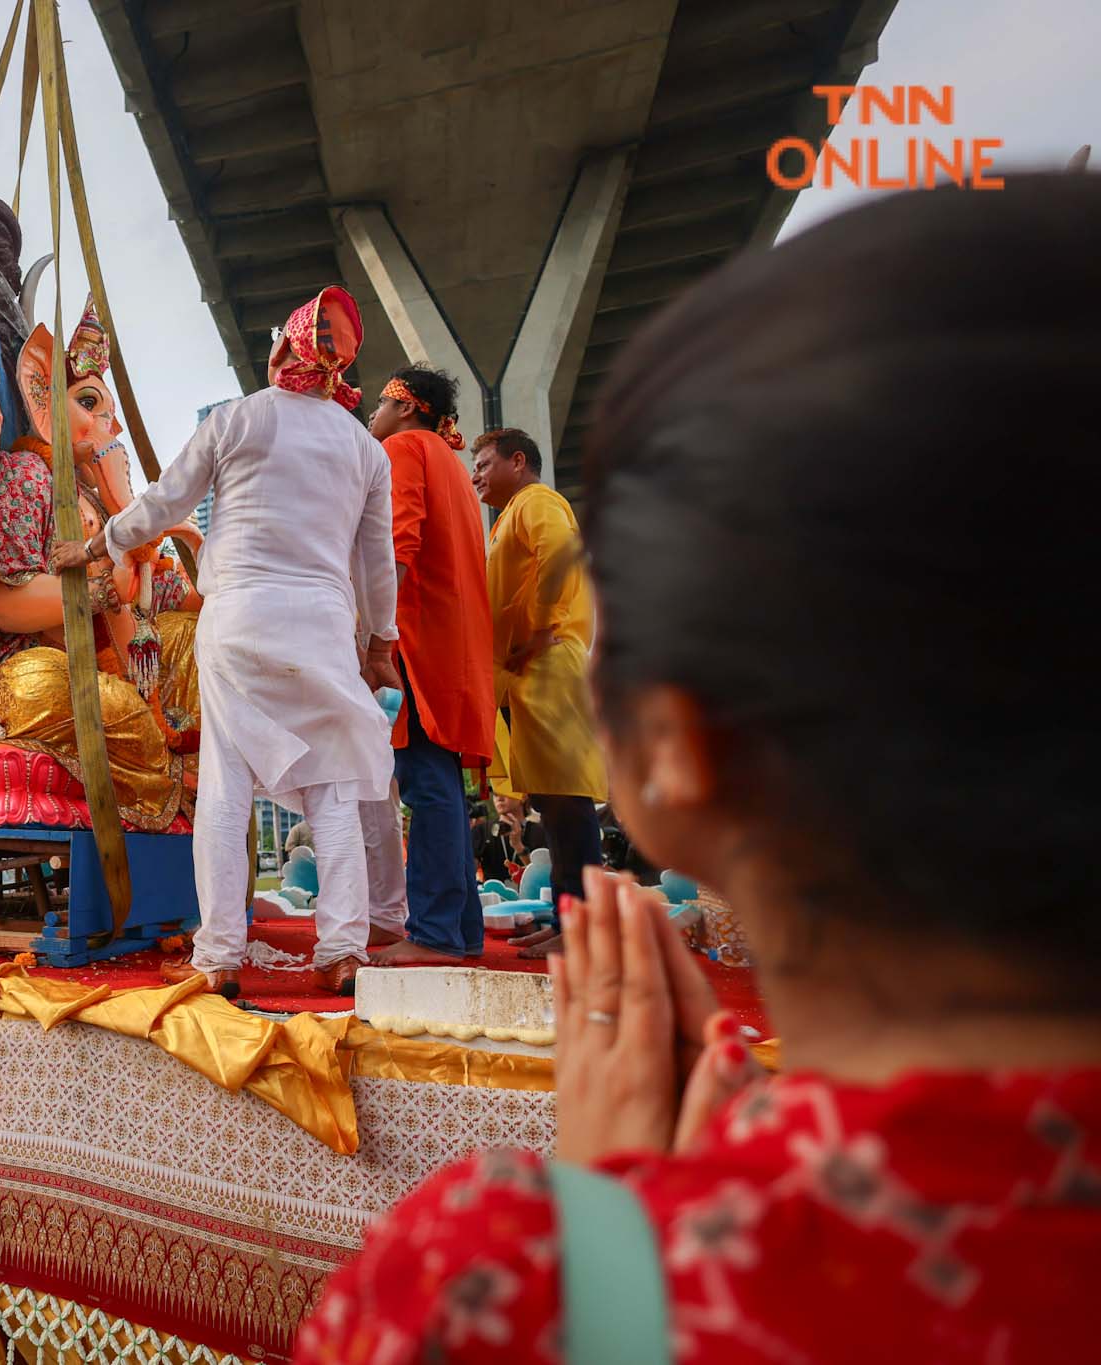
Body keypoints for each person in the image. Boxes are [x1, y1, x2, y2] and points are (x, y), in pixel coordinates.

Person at [294, 175, 1101, 1362]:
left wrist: (606, 1237)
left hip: (464, 674)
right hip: (481, 681)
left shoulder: (494, 1292)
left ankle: (450, 915)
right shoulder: (499, 503)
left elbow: (432, 567)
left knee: (474, 813)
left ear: (672, 749)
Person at [53, 285, 398, 996]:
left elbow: (163, 502)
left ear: (284, 349)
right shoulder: (367, 450)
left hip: (239, 617)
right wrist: (380, 644)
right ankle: (342, 952)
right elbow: (378, 565)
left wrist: (97, 546)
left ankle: (219, 957)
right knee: (334, 790)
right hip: (326, 626)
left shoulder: (239, 418)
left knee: (226, 785)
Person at [360, 365, 495, 965]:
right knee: (439, 785)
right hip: (453, 646)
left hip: (418, 640)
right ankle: (459, 933)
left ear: (407, 406)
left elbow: (398, 546)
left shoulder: (406, 447)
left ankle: (437, 934)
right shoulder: (450, 463)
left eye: (381, 404)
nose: (372, 415)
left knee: (424, 783)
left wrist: (376, 640)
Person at [471, 426, 606, 955]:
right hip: (527, 670)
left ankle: (585, 931)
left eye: (483, 463)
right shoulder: (506, 520)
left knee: (568, 801)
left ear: (518, 461)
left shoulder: (537, 501)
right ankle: (568, 918)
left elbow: (560, 552)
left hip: (548, 661)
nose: (475, 473)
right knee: (550, 801)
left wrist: (544, 625)